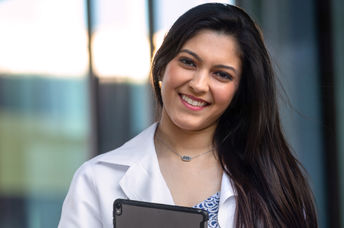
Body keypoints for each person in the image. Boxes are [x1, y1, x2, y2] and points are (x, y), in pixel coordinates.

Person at [58, 3, 318, 228]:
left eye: (222, 74)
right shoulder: (96, 180)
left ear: (239, 91)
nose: (199, 84)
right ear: (162, 66)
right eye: (188, 62)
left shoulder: (275, 187)